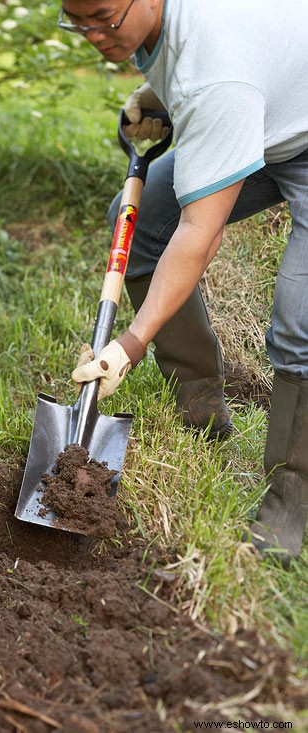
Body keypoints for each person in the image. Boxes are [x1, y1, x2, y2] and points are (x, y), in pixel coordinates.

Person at [61, 0, 308, 566]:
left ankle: (290, 500)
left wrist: (131, 341)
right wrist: (161, 90)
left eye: (103, 16)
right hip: (265, 112)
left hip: (283, 123)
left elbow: (201, 230)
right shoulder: (166, 32)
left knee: (299, 325)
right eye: (77, 20)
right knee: (142, 222)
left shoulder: (214, 75)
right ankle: (200, 405)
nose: (93, 34)